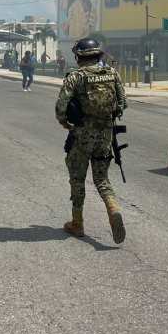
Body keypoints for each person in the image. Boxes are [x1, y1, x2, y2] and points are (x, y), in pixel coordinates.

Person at [55, 38, 128, 244]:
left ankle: (77, 223)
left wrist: (66, 124)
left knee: (77, 179)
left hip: (82, 136)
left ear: (79, 56)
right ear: (98, 55)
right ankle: (113, 208)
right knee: (102, 179)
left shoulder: (76, 76)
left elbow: (61, 108)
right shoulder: (112, 74)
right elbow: (123, 103)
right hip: (105, 135)